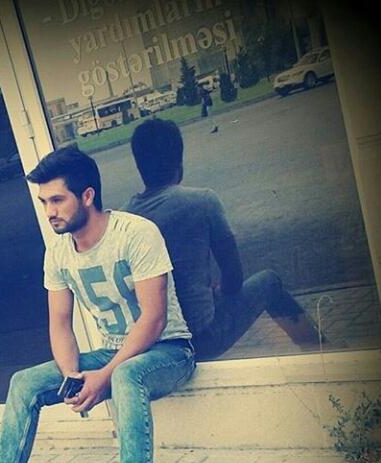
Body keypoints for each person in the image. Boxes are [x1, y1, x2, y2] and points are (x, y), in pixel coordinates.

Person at [0, 146, 195, 463]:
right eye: (44, 201)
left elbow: (155, 319)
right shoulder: (59, 252)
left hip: (168, 350)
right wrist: (71, 375)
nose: (49, 211)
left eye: (57, 200)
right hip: (111, 352)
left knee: (126, 375)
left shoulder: (136, 233)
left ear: (87, 195)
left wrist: (104, 375)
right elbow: (60, 324)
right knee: (24, 382)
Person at [125, 118, 322, 361]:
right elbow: (234, 279)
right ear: (179, 161)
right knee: (270, 282)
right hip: (202, 339)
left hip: (158, 346)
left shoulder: (126, 218)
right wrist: (218, 290)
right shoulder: (202, 201)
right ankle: (318, 352)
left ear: (139, 166)